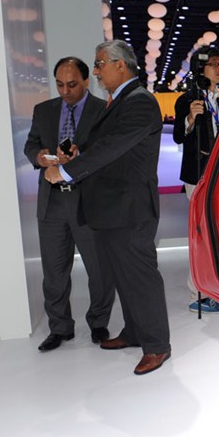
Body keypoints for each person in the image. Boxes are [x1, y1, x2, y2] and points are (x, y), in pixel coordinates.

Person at [44, 40, 171, 375]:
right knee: (122, 276)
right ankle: (134, 332)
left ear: (120, 65)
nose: (97, 72)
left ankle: (157, 345)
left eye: (100, 64)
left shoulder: (140, 100)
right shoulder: (122, 100)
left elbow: (114, 146)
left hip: (130, 209)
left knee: (140, 278)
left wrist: (67, 171)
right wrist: (79, 153)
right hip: (112, 208)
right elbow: (105, 145)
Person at [23, 57, 115, 352]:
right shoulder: (43, 110)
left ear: (86, 81)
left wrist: (81, 157)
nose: (65, 91)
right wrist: (39, 156)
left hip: (89, 202)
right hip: (52, 202)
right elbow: (31, 144)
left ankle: (98, 322)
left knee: (99, 269)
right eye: (60, 85)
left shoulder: (104, 110)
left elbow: (109, 152)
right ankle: (59, 328)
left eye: (72, 85)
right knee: (54, 271)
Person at [173, 47, 219, 314]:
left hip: (217, 175)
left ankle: (213, 285)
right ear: (200, 69)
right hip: (197, 175)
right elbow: (178, 137)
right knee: (201, 234)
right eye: (213, 64)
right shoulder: (187, 100)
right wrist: (190, 119)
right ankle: (198, 289)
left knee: (214, 232)